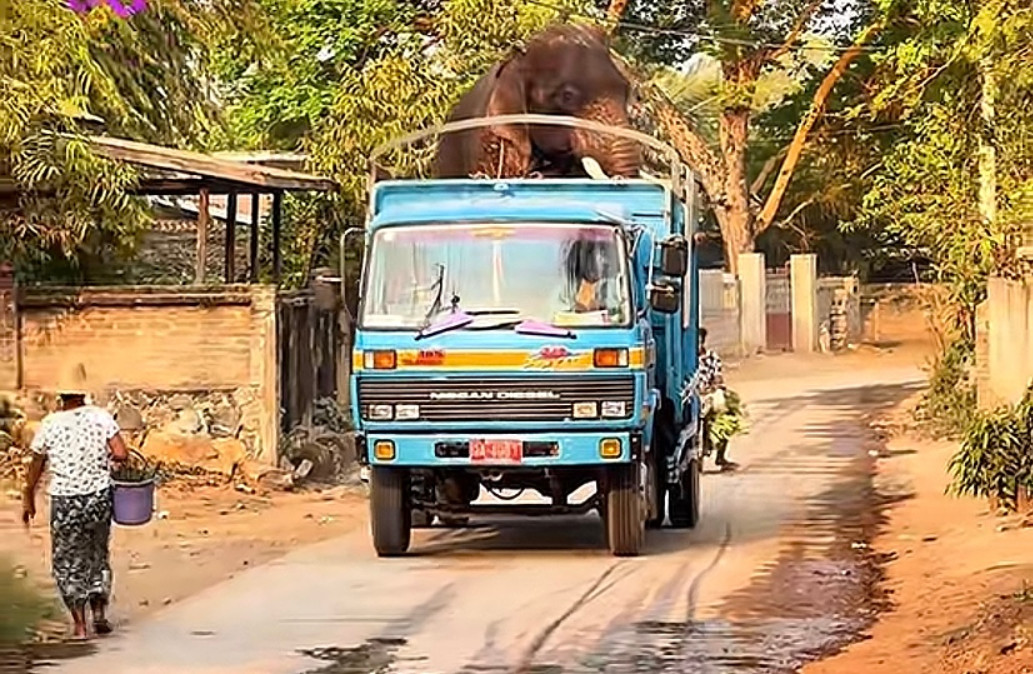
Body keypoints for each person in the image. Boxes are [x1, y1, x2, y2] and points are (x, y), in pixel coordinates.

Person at [22, 363, 128, 640]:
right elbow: (121, 452)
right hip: (97, 497)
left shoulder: (50, 424)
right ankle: (100, 615)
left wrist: (28, 497)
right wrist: (104, 462)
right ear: (84, 393)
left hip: (65, 500)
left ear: (61, 396)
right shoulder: (101, 417)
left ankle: (80, 627)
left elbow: (36, 463)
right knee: (97, 555)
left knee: (68, 560)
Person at [698, 328, 737, 471]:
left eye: (700, 340)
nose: (698, 343)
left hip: (709, 395)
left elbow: (717, 376)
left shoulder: (712, 357)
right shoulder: (688, 358)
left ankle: (721, 457)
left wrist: (716, 387)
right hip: (695, 396)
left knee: (727, 418)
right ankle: (699, 455)